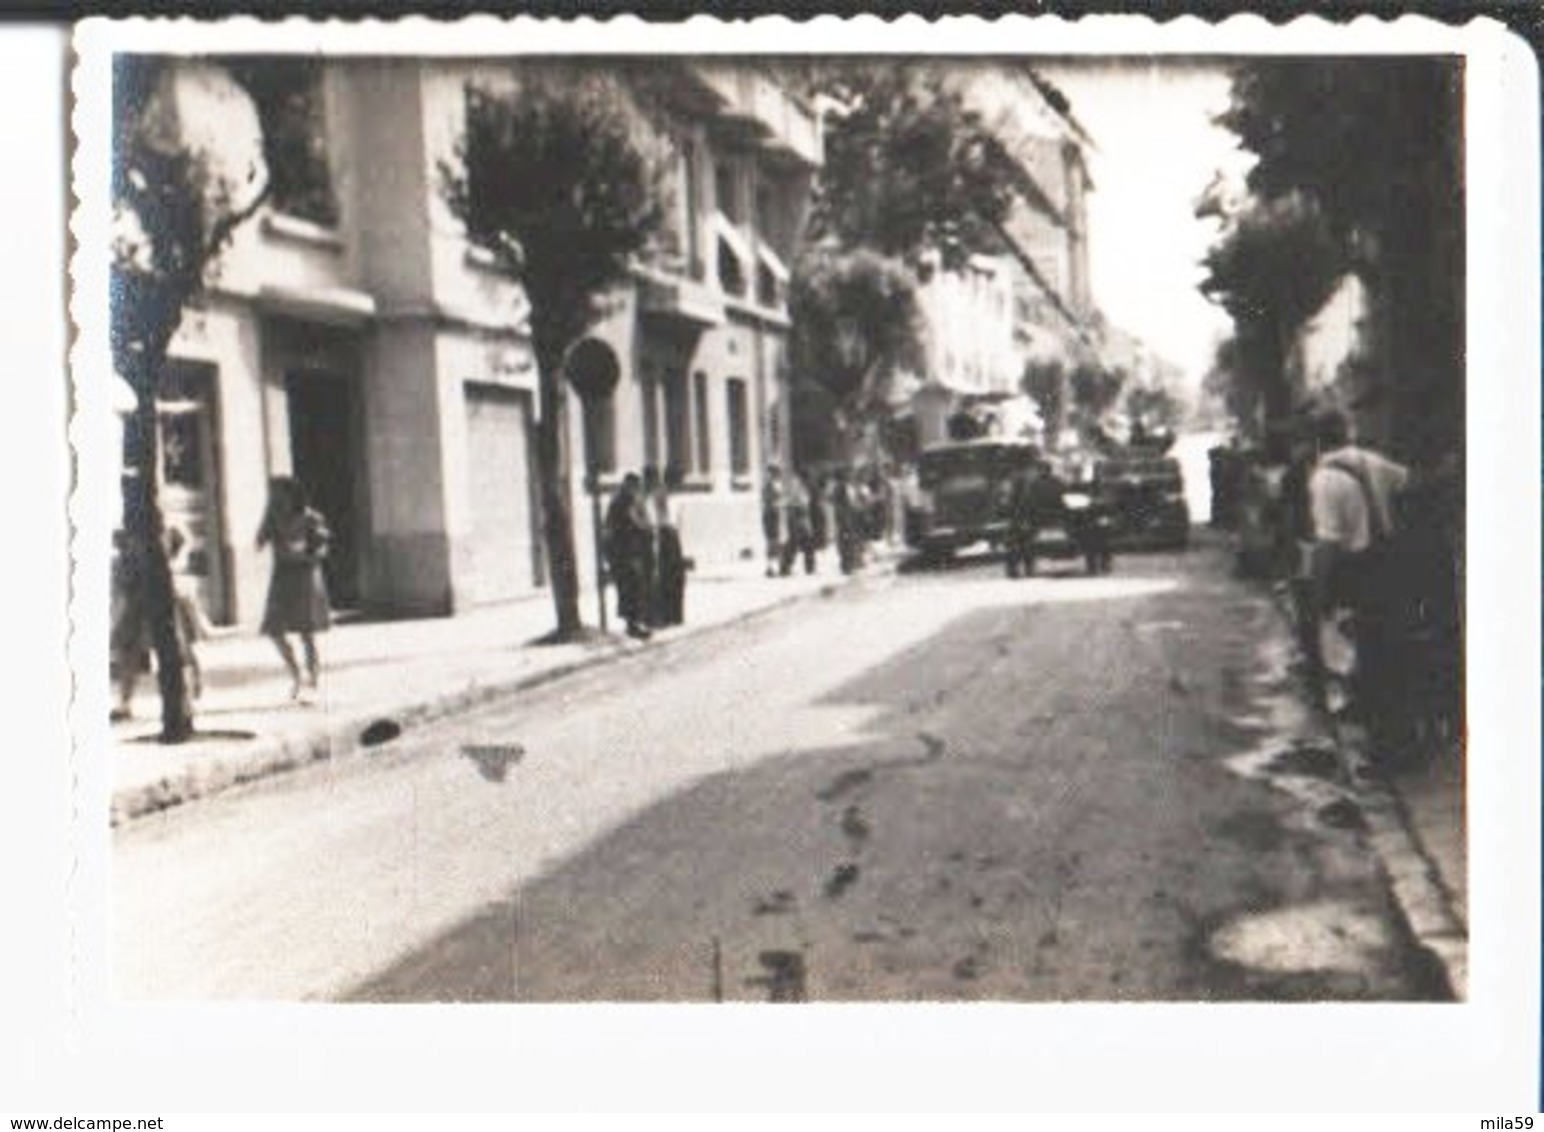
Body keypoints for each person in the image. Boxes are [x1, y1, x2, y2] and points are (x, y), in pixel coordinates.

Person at [1305, 407, 1411, 760]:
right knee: (1390, 648)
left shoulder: (1324, 480)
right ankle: (1397, 736)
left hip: (1356, 570)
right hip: (1390, 565)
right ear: (1346, 432)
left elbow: (1327, 545)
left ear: (1317, 439)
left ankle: (1378, 739)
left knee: (1357, 650)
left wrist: (1317, 595)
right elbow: (1411, 483)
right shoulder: (1372, 461)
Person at [256, 476, 333, 701]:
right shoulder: (273, 518)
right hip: (282, 578)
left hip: (305, 577)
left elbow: (322, 549)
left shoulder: (311, 518)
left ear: (291, 495)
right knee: (274, 630)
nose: (276, 499)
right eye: (272, 495)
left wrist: (305, 554)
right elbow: (259, 542)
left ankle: (313, 677)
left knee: (306, 632)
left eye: (279, 494)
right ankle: (295, 673)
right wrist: (267, 518)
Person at [604, 472, 652, 639]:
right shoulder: (624, 501)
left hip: (620, 552)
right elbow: (635, 524)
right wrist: (645, 529)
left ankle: (632, 624)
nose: (636, 491)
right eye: (635, 487)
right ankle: (633, 625)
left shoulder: (618, 499)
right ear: (629, 485)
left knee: (628, 589)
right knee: (631, 588)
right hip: (624, 552)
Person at [1004, 459, 1067, 578]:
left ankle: (1020, 569)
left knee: (1015, 540)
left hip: (1036, 518)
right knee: (1018, 540)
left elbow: (1026, 503)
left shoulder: (1032, 484)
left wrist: (1022, 515)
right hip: (1056, 517)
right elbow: (1065, 498)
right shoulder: (1057, 482)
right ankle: (1025, 568)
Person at [648, 463, 689, 627]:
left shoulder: (673, 496)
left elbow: (677, 521)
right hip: (664, 535)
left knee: (676, 577)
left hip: (672, 536)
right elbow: (659, 519)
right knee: (667, 577)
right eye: (679, 481)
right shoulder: (661, 495)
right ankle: (666, 615)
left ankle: (674, 615)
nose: (681, 485)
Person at [779, 470, 817, 576]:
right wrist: (793, 506)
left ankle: (809, 567)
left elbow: (805, 504)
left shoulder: (803, 488)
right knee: (794, 543)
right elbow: (787, 502)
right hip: (796, 517)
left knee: (807, 542)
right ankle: (785, 568)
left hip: (802, 517)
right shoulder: (796, 487)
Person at [760, 464, 784, 577]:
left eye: (770, 473)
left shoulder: (774, 485)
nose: (768, 475)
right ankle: (772, 567)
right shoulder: (771, 486)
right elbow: (772, 500)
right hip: (770, 515)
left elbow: (777, 500)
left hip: (773, 514)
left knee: (774, 541)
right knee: (772, 541)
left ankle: (775, 566)